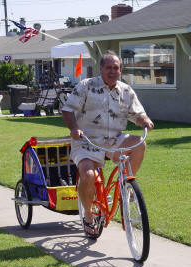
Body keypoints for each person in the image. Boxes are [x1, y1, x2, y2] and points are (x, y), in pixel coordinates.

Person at [62, 51, 154, 236]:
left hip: (114, 140)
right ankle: (88, 216)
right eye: (108, 67)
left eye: (116, 68)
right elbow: (68, 109)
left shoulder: (126, 91)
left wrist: (144, 120)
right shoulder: (86, 86)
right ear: (101, 69)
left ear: (120, 70)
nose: (112, 71)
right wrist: (74, 129)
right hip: (86, 140)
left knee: (139, 144)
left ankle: (126, 188)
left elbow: (137, 113)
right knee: (88, 175)